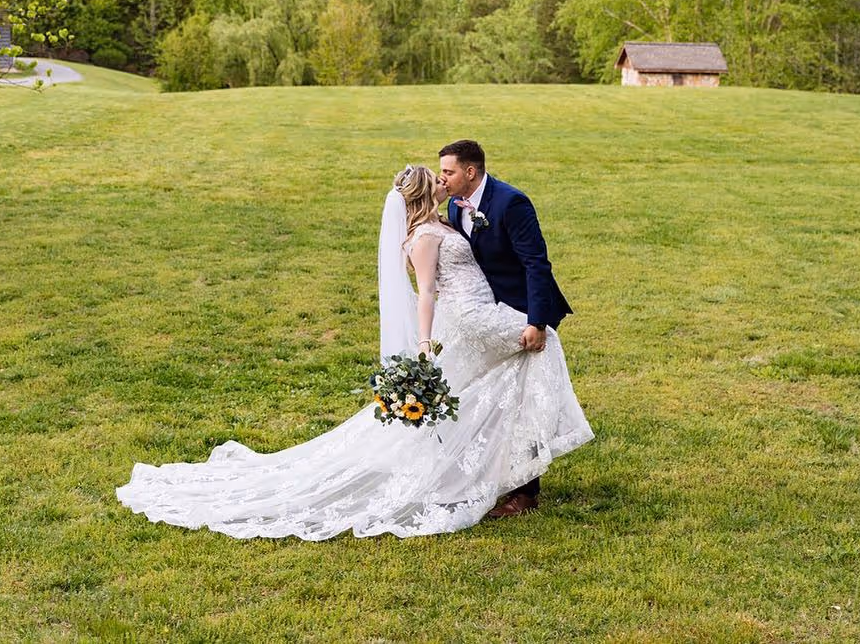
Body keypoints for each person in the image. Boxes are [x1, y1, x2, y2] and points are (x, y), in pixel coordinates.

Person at [115, 160, 592, 540]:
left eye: (447, 174)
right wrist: (424, 343)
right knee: (540, 348)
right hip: (472, 317)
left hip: (479, 312)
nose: (445, 181)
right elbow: (426, 292)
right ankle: (515, 476)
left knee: (491, 383)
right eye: (438, 178)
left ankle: (511, 474)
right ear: (427, 192)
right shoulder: (425, 236)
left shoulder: (446, 219)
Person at [437, 139, 575, 517]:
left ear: (470, 171)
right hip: (485, 315)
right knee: (494, 399)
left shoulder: (511, 202)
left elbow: (537, 264)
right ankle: (496, 476)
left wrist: (537, 322)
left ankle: (526, 493)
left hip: (520, 312)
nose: (442, 179)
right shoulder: (453, 204)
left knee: (523, 400)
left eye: (448, 172)